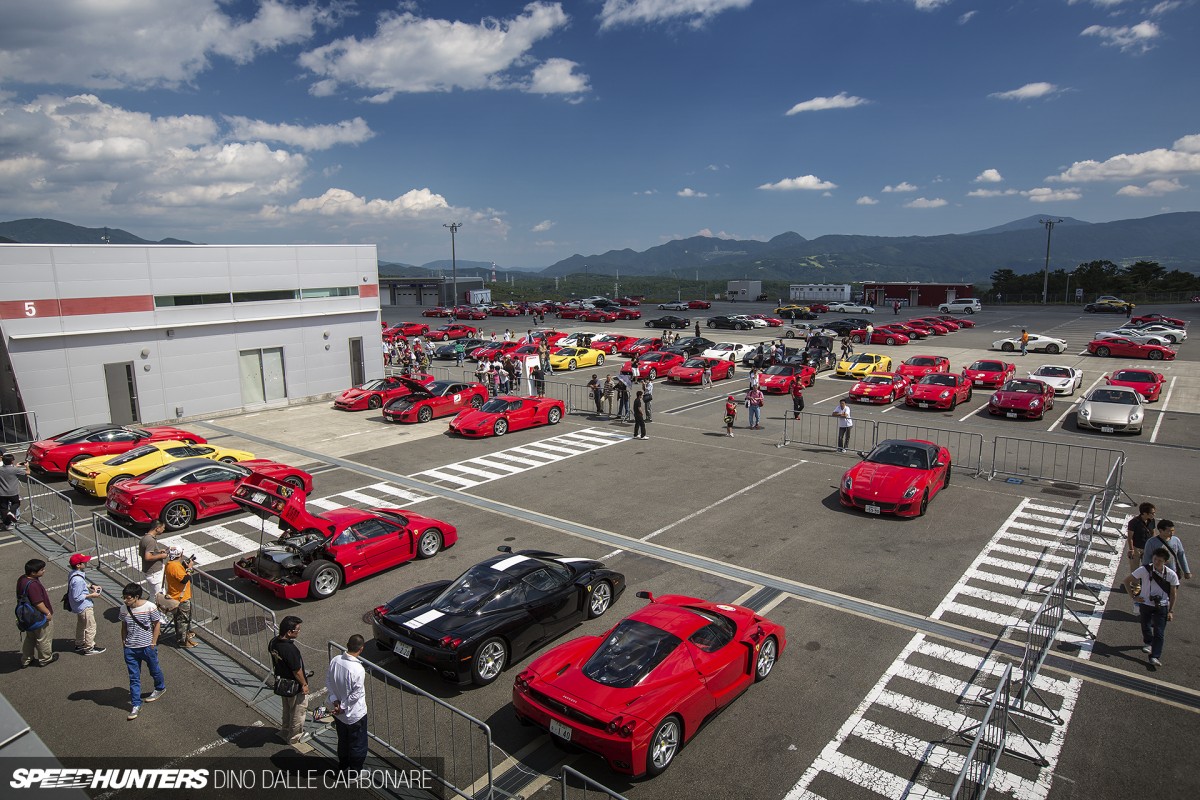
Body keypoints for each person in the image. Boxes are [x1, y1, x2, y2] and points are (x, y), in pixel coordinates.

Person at [1124, 548, 1179, 667]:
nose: (1156, 562)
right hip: (1146, 603)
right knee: (1145, 625)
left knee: (1159, 632)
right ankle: (1148, 642)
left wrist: (1171, 610)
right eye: (1155, 559)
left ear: (1165, 561)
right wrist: (1134, 597)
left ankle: (1154, 656)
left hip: (1162, 605)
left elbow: (1173, 593)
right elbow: (1127, 581)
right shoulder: (1144, 570)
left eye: (1160, 560)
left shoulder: (1170, 574)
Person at [120, 583, 165, 720]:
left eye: (128, 598)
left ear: (136, 597)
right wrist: (124, 642)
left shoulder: (150, 607)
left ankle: (160, 687)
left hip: (147, 647)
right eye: (124, 597)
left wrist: (153, 642)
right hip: (130, 648)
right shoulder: (123, 609)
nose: (125, 600)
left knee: (154, 669)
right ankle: (135, 704)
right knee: (134, 677)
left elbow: (157, 623)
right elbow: (124, 626)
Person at [327, 634, 368, 775]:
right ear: (361, 649)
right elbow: (355, 695)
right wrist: (343, 706)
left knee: (343, 741)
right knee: (357, 743)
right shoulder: (358, 669)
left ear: (347, 644)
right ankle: (355, 772)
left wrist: (335, 702)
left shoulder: (335, 660)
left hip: (338, 713)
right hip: (354, 714)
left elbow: (329, 681)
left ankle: (343, 765)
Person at [269, 616, 310, 745]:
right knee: (298, 711)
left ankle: (285, 730)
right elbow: (297, 670)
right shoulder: (290, 649)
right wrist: (304, 684)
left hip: (282, 683)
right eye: (297, 630)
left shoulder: (273, 642)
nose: (299, 632)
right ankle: (295, 736)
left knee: (286, 708)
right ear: (289, 632)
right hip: (294, 685)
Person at [18, 558, 55, 667]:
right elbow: (38, 602)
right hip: (38, 616)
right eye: (42, 570)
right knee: (43, 638)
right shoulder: (33, 585)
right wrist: (47, 613)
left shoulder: (22, 579)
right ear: (33, 573)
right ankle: (45, 658)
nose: (44, 571)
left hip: (28, 616)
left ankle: (26, 659)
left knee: (30, 638)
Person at [67, 553, 105, 655]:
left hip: (78, 608)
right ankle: (89, 648)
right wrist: (92, 595)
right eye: (84, 562)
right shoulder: (78, 580)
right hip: (84, 607)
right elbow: (77, 597)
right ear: (78, 565)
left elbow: (81, 585)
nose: (86, 562)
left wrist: (91, 586)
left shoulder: (73, 574)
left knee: (81, 625)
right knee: (91, 627)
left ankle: (79, 644)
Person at [163, 548, 195, 648]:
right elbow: (184, 579)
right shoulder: (175, 566)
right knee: (182, 620)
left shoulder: (170, 564)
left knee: (183, 618)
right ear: (179, 554)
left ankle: (186, 635)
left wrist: (184, 567)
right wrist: (189, 568)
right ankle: (183, 641)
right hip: (180, 597)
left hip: (177, 595)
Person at [140, 520, 169, 598]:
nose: (164, 530)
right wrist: (161, 556)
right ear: (157, 528)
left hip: (148, 571)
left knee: (153, 594)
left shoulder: (144, 538)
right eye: (163, 528)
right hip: (154, 573)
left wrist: (158, 552)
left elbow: (143, 553)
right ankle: (159, 609)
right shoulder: (151, 541)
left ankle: (152, 607)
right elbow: (148, 557)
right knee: (160, 595)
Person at [1126, 502, 1156, 575]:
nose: (1154, 515)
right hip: (1137, 548)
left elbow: (1153, 533)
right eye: (1152, 513)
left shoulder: (1152, 520)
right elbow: (1130, 537)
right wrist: (1131, 549)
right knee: (1135, 568)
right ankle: (1135, 584)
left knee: (1148, 567)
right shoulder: (1133, 522)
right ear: (1144, 513)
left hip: (1147, 547)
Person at [0, 453, 27, 530]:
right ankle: (11, 512)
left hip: (2, 493)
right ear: (12, 461)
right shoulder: (15, 470)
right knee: (16, 503)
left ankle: (7, 524)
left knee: (3, 508)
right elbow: (27, 472)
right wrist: (27, 466)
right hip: (13, 492)